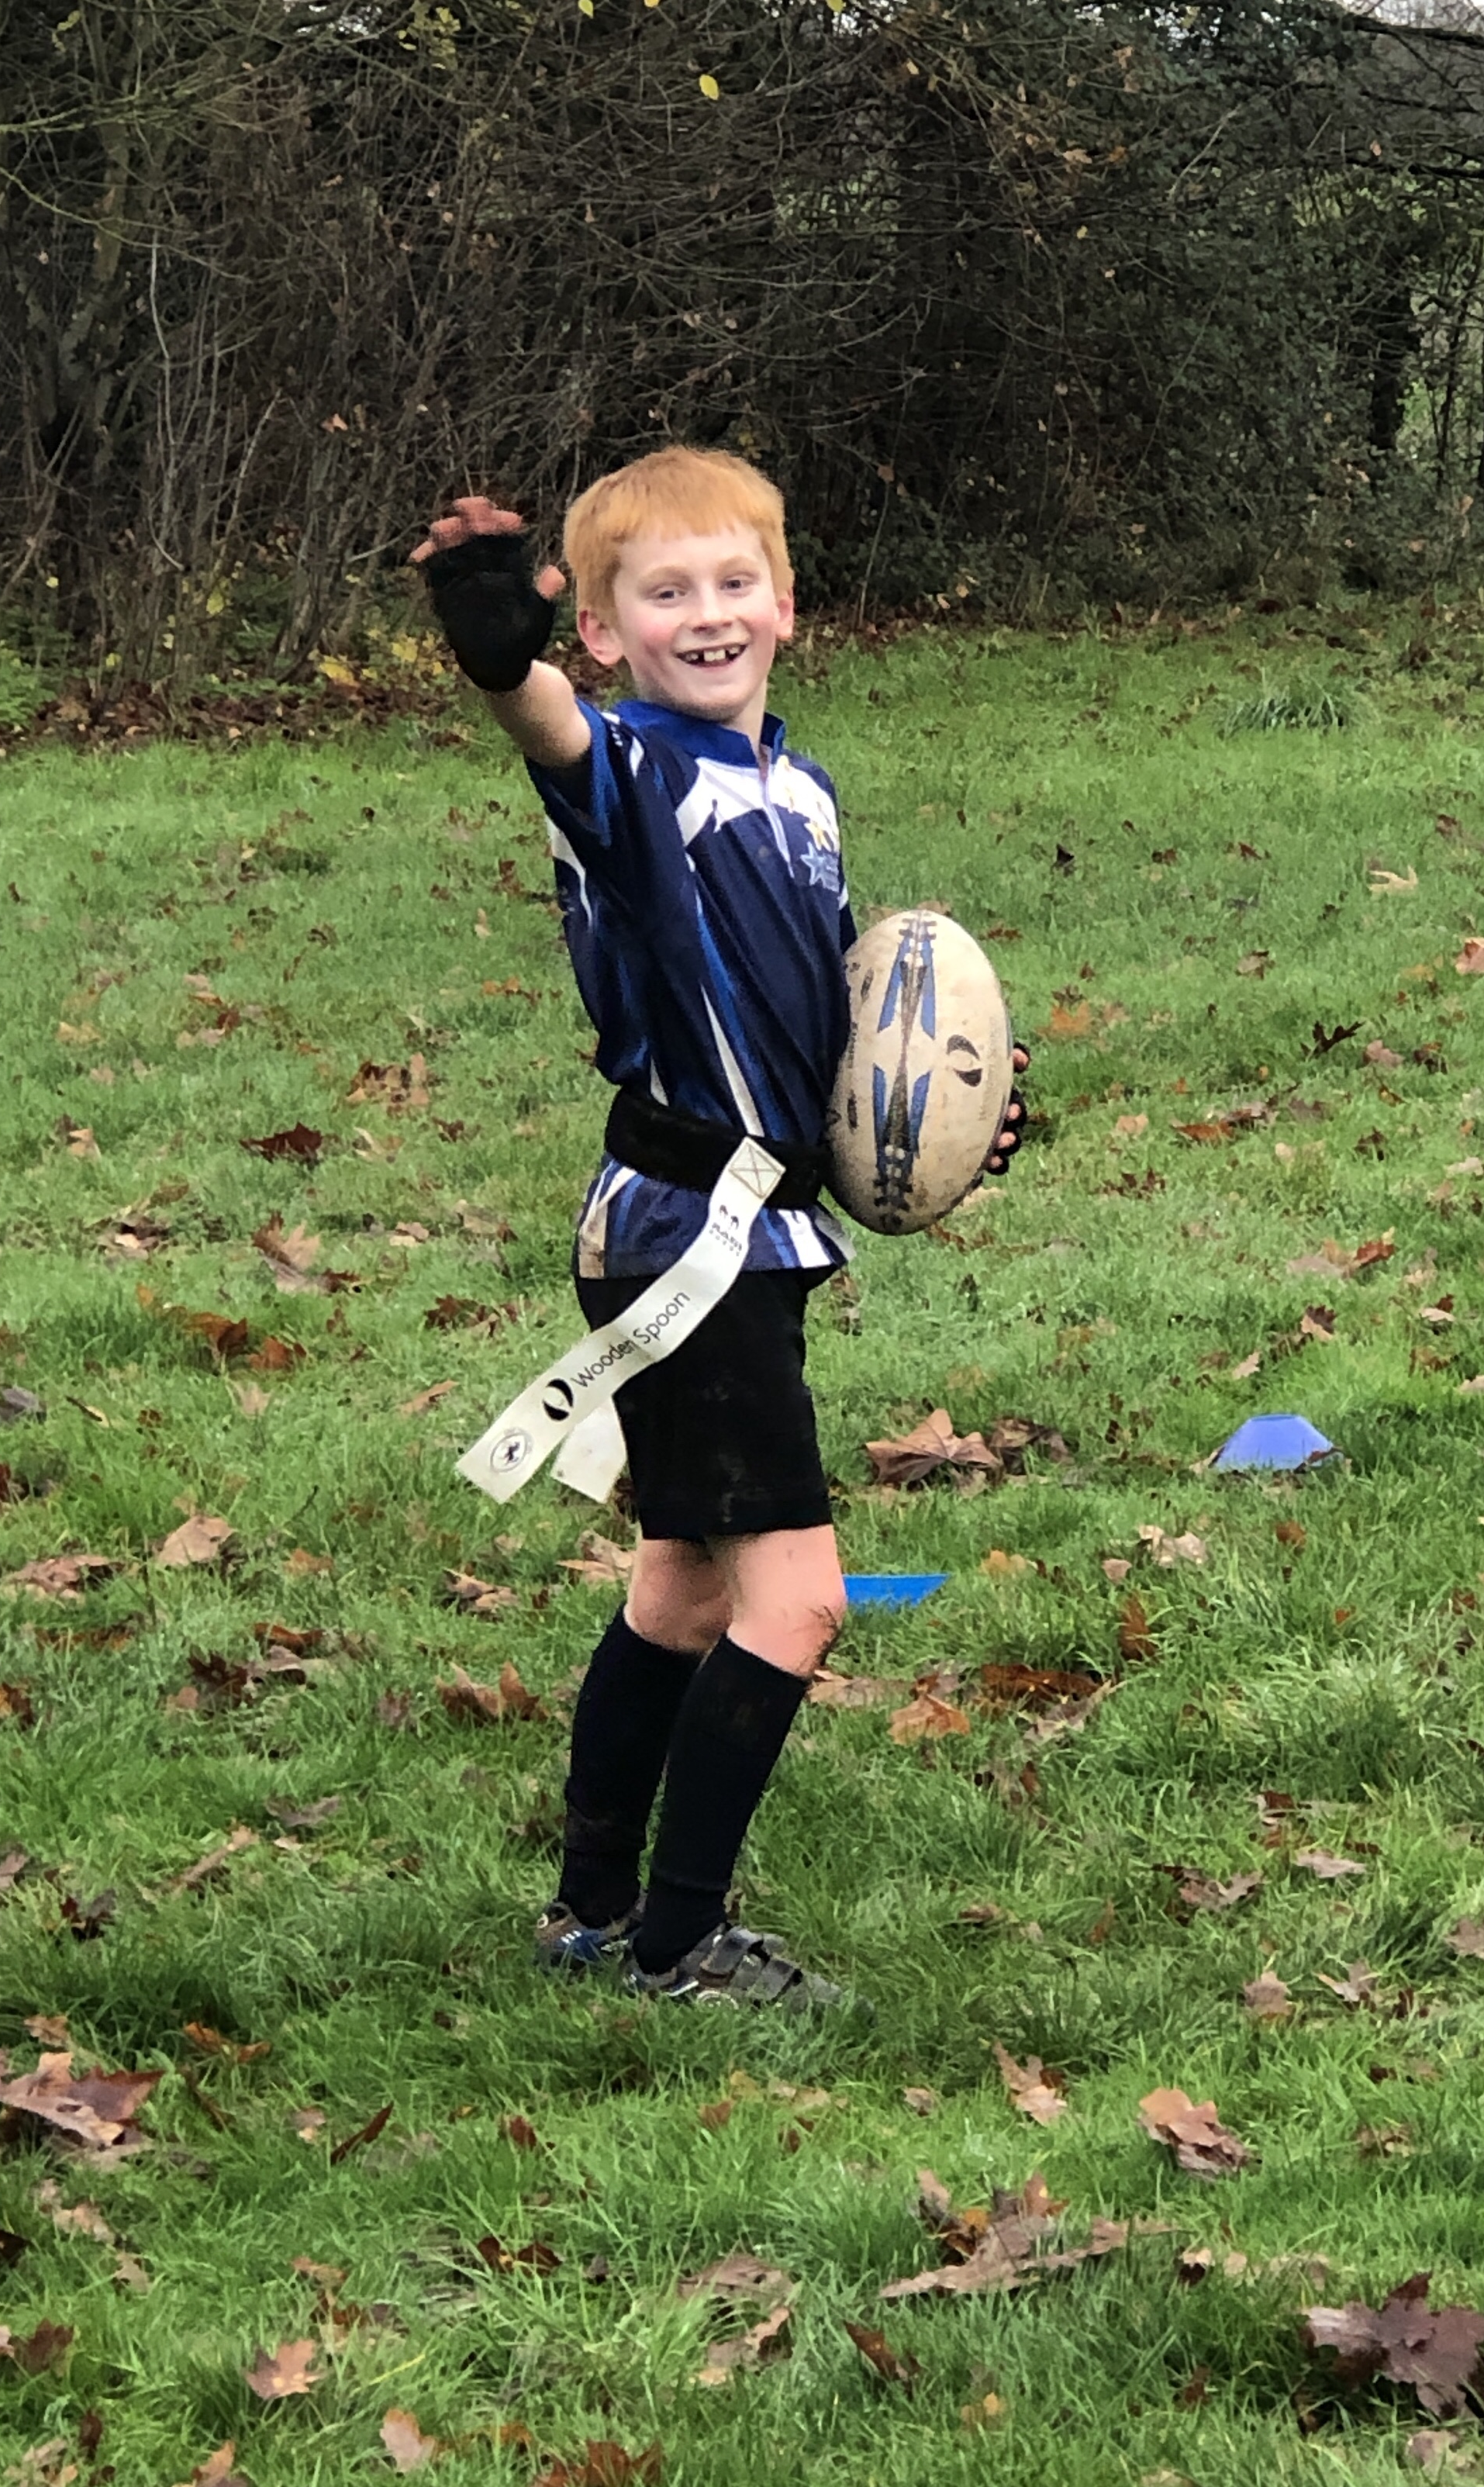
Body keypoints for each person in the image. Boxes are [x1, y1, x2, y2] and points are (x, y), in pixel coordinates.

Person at [412, 447, 1023, 2009]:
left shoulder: (798, 790)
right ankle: (681, 1941)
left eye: (733, 582)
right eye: (663, 592)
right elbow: (550, 733)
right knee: (797, 1602)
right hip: (689, 1241)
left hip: (743, 1235)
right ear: (601, 630)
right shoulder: (632, 770)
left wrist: (949, 1115)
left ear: (787, 603)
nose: (706, 614)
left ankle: (591, 1914)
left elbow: (833, 1027)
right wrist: (503, 664)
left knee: (684, 1589)